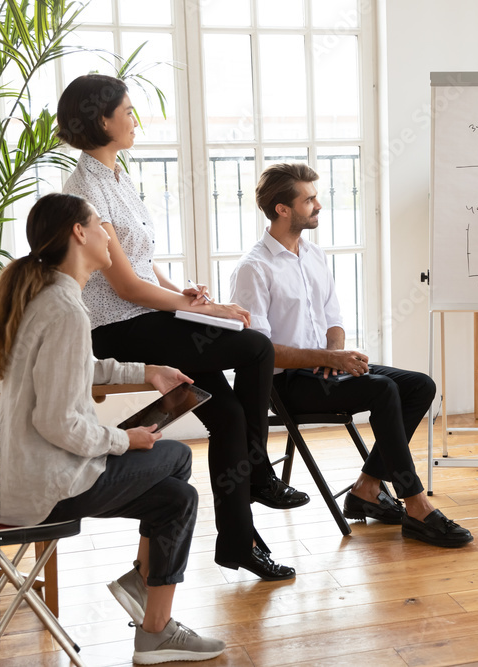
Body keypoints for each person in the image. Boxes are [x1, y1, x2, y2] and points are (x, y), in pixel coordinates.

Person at [56, 74, 304, 581]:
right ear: (102, 120)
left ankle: (239, 544)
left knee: (230, 415)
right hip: (119, 328)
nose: (134, 120)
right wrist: (206, 313)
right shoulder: (84, 190)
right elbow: (124, 288)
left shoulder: (118, 176)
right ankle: (259, 473)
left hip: (149, 316)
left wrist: (184, 295)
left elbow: (144, 266)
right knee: (256, 348)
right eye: (127, 111)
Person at [0, 193, 224, 663]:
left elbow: (79, 367)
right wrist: (123, 439)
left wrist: (147, 371)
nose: (110, 235)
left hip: (23, 483)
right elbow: (56, 422)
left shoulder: (46, 296)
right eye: (100, 225)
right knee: (177, 456)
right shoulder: (64, 308)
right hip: (50, 488)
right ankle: (146, 597)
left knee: (178, 499)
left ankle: (153, 623)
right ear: (78, 233)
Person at [229, 163, 473, 548]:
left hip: (323, 367)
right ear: (282, 209)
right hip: (286, 383)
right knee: (381, 390)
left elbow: (333, 319)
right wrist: (328, 361)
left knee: (419, 386)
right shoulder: (254, 268)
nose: (318, 205)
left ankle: (367, 486)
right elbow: (260, 352)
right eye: (309, 199)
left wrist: (334, 354)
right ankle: (416, 504)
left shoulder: (314, 255)